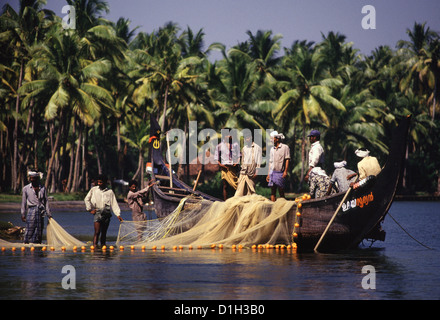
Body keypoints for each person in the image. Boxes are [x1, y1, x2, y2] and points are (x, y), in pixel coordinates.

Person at [84, 174, 123, 247]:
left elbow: (114, 203)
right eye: (98, 182)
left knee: (104, 232)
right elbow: (86, 199)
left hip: (107, 213)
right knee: (97, 232)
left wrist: (118, 215)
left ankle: (103, 247)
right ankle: (95, 247)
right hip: (98, 212)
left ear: (105, 182)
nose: (99, 184)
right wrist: (89, 210)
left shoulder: (110, 192)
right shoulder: (94, 189)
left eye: (101, 182)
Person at [21, 171, 52, 244]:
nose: (32, 180)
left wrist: (49, 214)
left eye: (34, 179)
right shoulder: (26, 188)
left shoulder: (43, 188)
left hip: (40, 211)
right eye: (31, 179)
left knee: (39, 230)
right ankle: (27, 244)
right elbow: (23, 202)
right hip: (31, 210)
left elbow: (46, 201)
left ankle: (37, 245)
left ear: (37, 179)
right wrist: (23, 214)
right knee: (30, 229)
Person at [214, 130, 240, 200]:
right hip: (224, 168)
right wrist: (221, 165)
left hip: (232, 168)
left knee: (234, 185)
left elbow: (239, 156)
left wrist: (237, 162)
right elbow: (216, 158)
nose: (230, 136)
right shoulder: (219, 146)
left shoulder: (235, 145)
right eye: (228, 135)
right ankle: (225, 201)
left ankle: (234, 200)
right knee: (225, 185)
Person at [235, 131, 262, 196]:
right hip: (243, 172)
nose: (246, 139)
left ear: (251, 137)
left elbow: (259, 162)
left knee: (251, 192)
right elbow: (243, 161)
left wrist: (256, 173)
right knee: (239, 192)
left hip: (251, 172)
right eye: (245, 138)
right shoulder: (244, 148)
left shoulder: (257, 148)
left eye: (248, 138)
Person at [266, 131, 290, 201]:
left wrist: (285, 171)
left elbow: (287, 159)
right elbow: (270, 162)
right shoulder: (272, 149)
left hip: (280, 173)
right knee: (272, 192)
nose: (271, 140)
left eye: (272, 138)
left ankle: (282, 207)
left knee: (281, 192)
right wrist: (268, 174)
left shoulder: (285, 147)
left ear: (277, 139)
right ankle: (273, 206)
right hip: (273, 172)